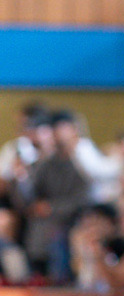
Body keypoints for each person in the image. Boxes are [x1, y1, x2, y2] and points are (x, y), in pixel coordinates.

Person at [12, 108, 91, 281]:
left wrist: (51, 208)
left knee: (58, 234)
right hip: (43, 222)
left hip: (74, 220)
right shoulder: (45, 164)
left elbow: (84, 199)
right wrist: (21, 179)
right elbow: (29, 198)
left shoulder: (84, 159)